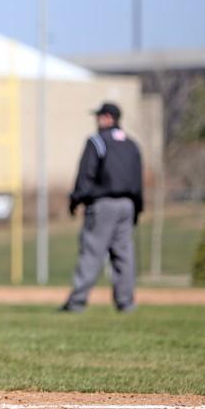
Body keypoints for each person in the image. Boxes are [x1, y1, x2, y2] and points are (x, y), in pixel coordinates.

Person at [60, 102, 144, 313]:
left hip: (103, 204)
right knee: (124, 255)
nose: (97, 121)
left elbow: (86, 175)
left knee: (92, 252)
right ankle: (126, 303)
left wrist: (75, 199)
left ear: (108, 118)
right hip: (128, 205)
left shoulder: (97, 141)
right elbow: (138, 179)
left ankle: (77, 301)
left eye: (99, 117)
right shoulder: (131, 144)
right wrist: (138, 207)